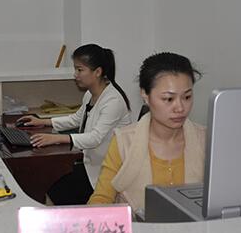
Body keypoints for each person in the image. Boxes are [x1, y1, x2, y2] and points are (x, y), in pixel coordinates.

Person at [88, 52, 205, 218]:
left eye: (187, 97)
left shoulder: (206, 141)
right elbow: (101, 198)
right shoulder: (124, 142)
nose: (180, 108)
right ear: (145, 95)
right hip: (139, 232)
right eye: (168, 99)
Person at [17, 44, 133, 205]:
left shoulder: (113, 100)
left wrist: (56, 138)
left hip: (104, 172)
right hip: (89, 163)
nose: (75, 75)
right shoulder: (90, 94)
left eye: (80, 70)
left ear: (98, 72)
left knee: (54, 187)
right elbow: (76, 119)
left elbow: (95, 138)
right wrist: (42, 121)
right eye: (75, 69)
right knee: (49, 180)